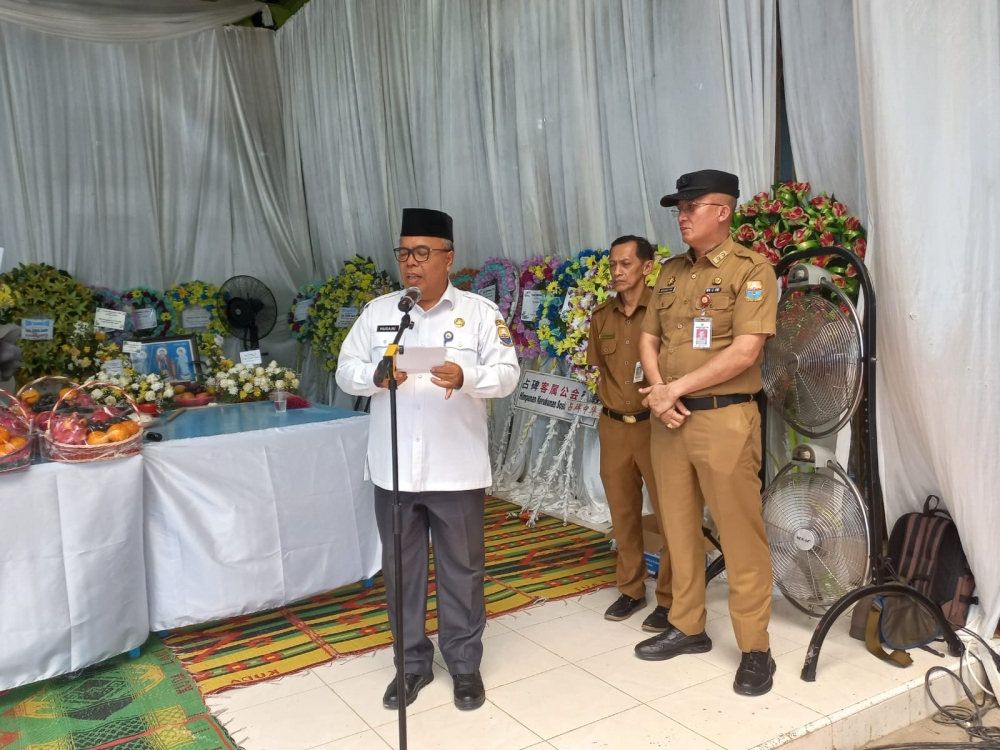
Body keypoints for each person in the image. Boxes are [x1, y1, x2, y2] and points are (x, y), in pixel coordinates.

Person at [336, 208, 520, 712]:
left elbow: (508, 374)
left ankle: (463, 666)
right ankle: (412, 665)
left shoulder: (480, 313)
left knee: (462, 570)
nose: (411, 264)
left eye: (422, 253)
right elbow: (345, 369)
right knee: (401, 570)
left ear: (448, 258)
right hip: (393, 469)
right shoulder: (380, 313)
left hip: (454, 468)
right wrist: (375, 377)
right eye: (403, 253)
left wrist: (467, 377)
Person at [633, 169, 779, 696]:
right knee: (678, 527)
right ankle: (687, 626)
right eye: (679, 208)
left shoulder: (751, 269)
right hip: (670, 420)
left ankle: (755, 647)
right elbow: (648, 338)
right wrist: (660, 391)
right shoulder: (670, 272)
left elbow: (746, 351)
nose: (683, 215)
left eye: (694, 206)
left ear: (724, 211)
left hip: (723, 418)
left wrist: (675, 390)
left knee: (740, 533)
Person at [586, 235, 673, 632]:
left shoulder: (665, 310)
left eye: (625, 264)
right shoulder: (601, 316)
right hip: (613, 426)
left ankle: (671, 598)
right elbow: (598, 369)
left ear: (646, 267)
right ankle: (632, 588)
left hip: (656, 426)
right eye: (613, 266)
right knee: (623, 513)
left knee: (671, 513)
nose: (618, 272)